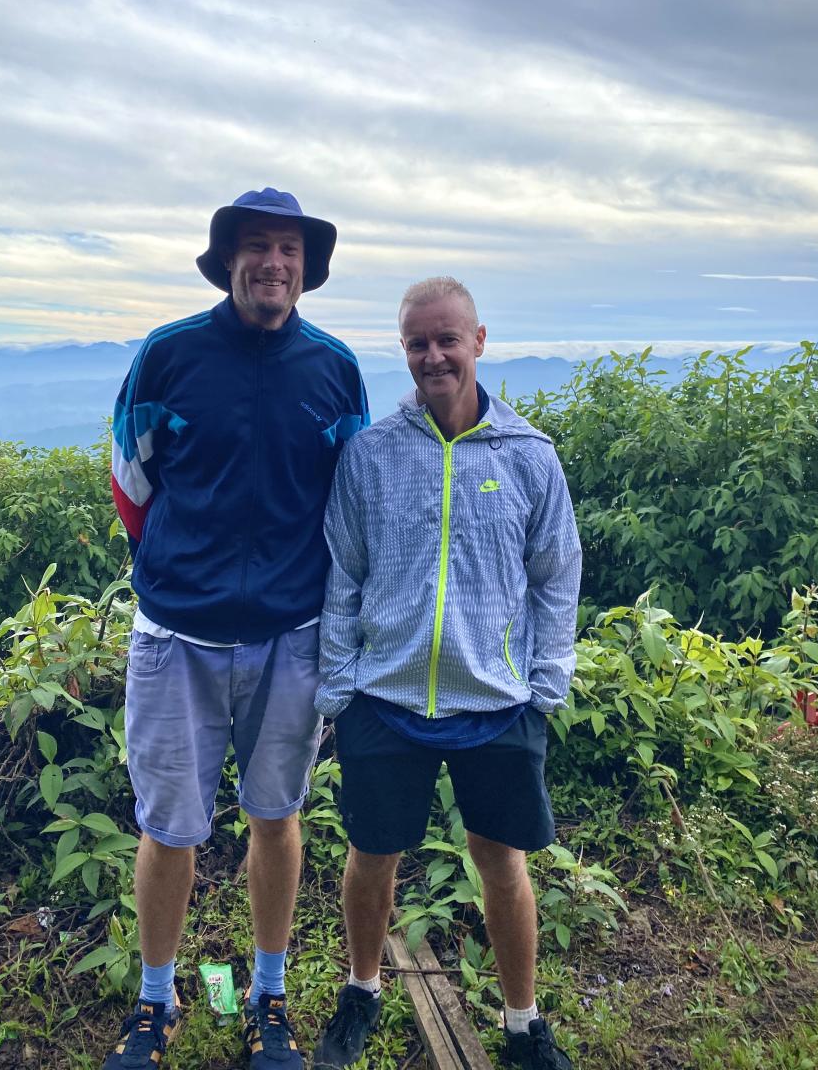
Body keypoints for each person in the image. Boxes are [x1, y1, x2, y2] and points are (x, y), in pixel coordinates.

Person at [107, 188, 368, 1070]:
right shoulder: (170, 355)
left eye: (289, 251)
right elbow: (130, 482)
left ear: (307, 268)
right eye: (257, 247)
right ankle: (154, 1003)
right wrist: (187, 574)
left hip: (291, 634)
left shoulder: (332, 368)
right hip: (177, 635)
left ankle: (269, 994)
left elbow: (349, 504)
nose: (274, 264)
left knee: (275, 814)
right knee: (170, 825)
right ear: (228, 262)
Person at [312, 276, 580, 1070]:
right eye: (417, 343)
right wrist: (337, 689)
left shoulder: (530, 456)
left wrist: (545, 685)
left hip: (496, 703)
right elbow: (342, 576)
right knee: (371, 858)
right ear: (403, 350)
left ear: (479, 341)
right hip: (384, 699)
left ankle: (523, 1023)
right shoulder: (370, 455)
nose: (434, 355)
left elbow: (558, 575)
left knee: (503, 865)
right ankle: (362, 990)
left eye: (447, 339)